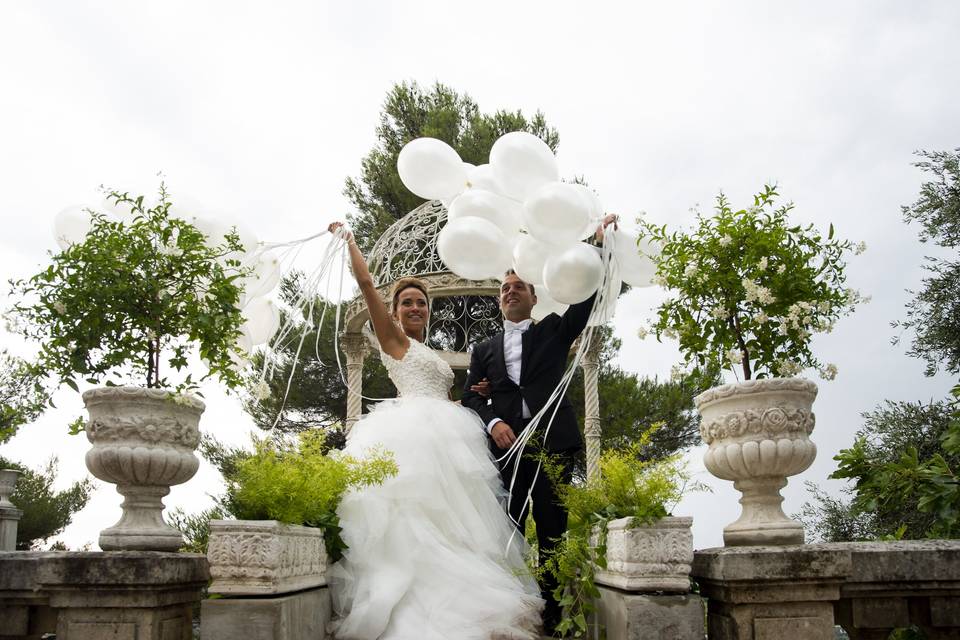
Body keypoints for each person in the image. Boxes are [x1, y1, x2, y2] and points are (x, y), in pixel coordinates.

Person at [325, 222, 543, 640]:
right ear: (395, 310)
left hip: (446, 430)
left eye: (420, 304)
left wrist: (472, 396)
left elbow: (441, 396)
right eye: (406, 303)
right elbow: (367, 283)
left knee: (452, 525)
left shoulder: (425, 349)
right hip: (410, 435)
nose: (415, 309)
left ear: (429, 310)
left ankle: (458, 601)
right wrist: (352, 242)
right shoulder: (393, 340)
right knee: (411, 521)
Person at [461, 214, 618, 633]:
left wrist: (597, 246)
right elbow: (470, 396)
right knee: (508, 531)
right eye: (504, 289)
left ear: (534, 296)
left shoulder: (553, 330)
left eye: (519, 287)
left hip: (553, 444)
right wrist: (492, 420)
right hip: (507, 449)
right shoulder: (484, 349)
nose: (511, 292)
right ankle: (513, 611)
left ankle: (553, 615)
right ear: (499, 301)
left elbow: (585, 299)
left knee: (552, 531)